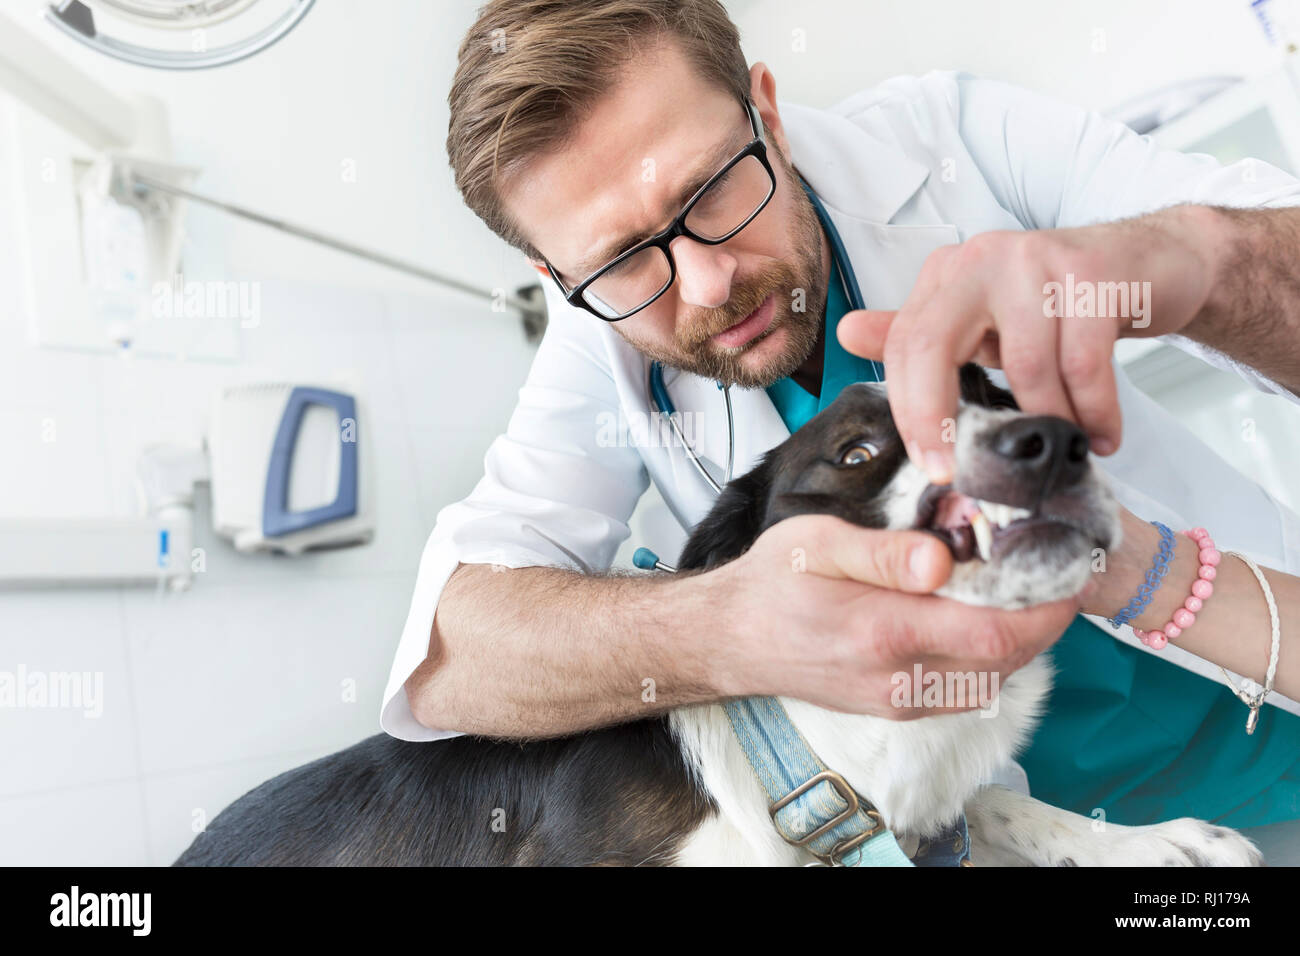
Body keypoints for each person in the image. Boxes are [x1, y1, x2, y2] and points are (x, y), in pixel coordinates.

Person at [386, 0, 1300, 836]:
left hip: (1273, 707)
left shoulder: (955, 138)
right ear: (560, 281)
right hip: (1055, 839)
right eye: (623, 259)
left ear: (768, 115)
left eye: (710, 191)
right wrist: (733, 629)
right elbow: (454, 650)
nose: (707, 283)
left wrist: (1185, 261)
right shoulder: (602, 330)